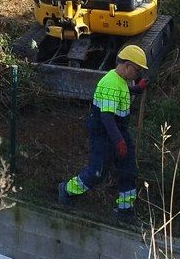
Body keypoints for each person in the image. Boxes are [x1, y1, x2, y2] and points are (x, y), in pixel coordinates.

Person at [58, 44, 148, 219]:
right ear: (127, 66)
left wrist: (136, 89)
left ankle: (125, 211)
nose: (137, 75)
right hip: (104, 135)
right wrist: (119, 141)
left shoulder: (119, 80)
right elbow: (107, 118)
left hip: (117, 132)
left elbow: (122, 90)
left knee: (128, 170)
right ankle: (67, 190)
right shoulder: (110, 84)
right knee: (96, 173)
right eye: (137, 71)